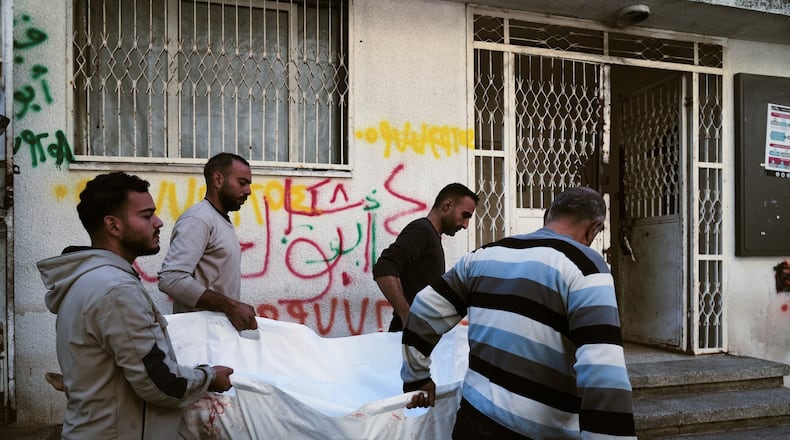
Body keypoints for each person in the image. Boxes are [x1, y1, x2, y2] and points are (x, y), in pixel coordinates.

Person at [401, 186, 637, 439]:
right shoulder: (585, 267)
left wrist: (416, 378)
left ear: (547, 216)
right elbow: (603, 372)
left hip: (472, 420)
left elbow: (424, 309)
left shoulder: (483, 256)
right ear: (594, 229)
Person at [37, 172, 234, 439]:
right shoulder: (116, 290)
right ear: (113, 226)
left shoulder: (88, 279)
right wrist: (208, 377)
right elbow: (161, 383)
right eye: (146, 215)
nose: (159, 222)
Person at [159, 152, 258, 332]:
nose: (248, 191)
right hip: (201, 337)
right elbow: (171, 279)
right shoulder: (199, 220)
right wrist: (231, 306)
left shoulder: (217, 219)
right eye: (242, 183)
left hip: (217, 334)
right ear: (218, 180)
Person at [372, 183, 479, 332]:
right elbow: (384, 267)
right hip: (409, 334)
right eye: (465, 215)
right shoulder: (422, 230)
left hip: (422, 333)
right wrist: (406, 315)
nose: (466, 225)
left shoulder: (431, 235)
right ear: (447, 206)